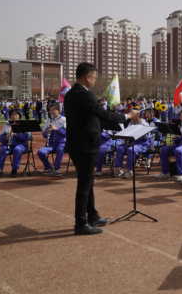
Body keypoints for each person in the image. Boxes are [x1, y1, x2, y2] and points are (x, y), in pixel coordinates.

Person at [65, 62, 136, 235]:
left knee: (87, 182)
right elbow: (102, 113)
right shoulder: (85, 94)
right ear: (86, 77)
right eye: (94, 77)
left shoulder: (70, 94)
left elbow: (95, 119)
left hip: (77, 144)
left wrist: (120, 120)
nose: (95, 81)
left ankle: (93, 216)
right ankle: (81, 223)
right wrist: (127, 115)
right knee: (84, 185)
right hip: (85, 145)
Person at [0, 110, 30, 178]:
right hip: (9, 145)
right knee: (2, 150)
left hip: (21, 145)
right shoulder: (7, 124)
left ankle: (14, 169)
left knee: (17, 150)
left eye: (16, 115)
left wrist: (16, 134)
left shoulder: (23, 124)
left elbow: (27, 137)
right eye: (12, 115)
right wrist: (5, 137)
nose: (14, 116)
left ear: (19, 116)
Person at [37, 104, 67, 176]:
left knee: (60, 149)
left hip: (62, 143)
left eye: (53, 110)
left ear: (58, 111)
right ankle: (49, 167)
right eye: (50, 110)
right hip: (51, 144)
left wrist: (56, 129)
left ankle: (57, 169)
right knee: (40, 152)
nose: (51, 112)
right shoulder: (48, 120)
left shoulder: (64, 120)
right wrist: (46, 131)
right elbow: (44, 135)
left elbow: (67, 133)